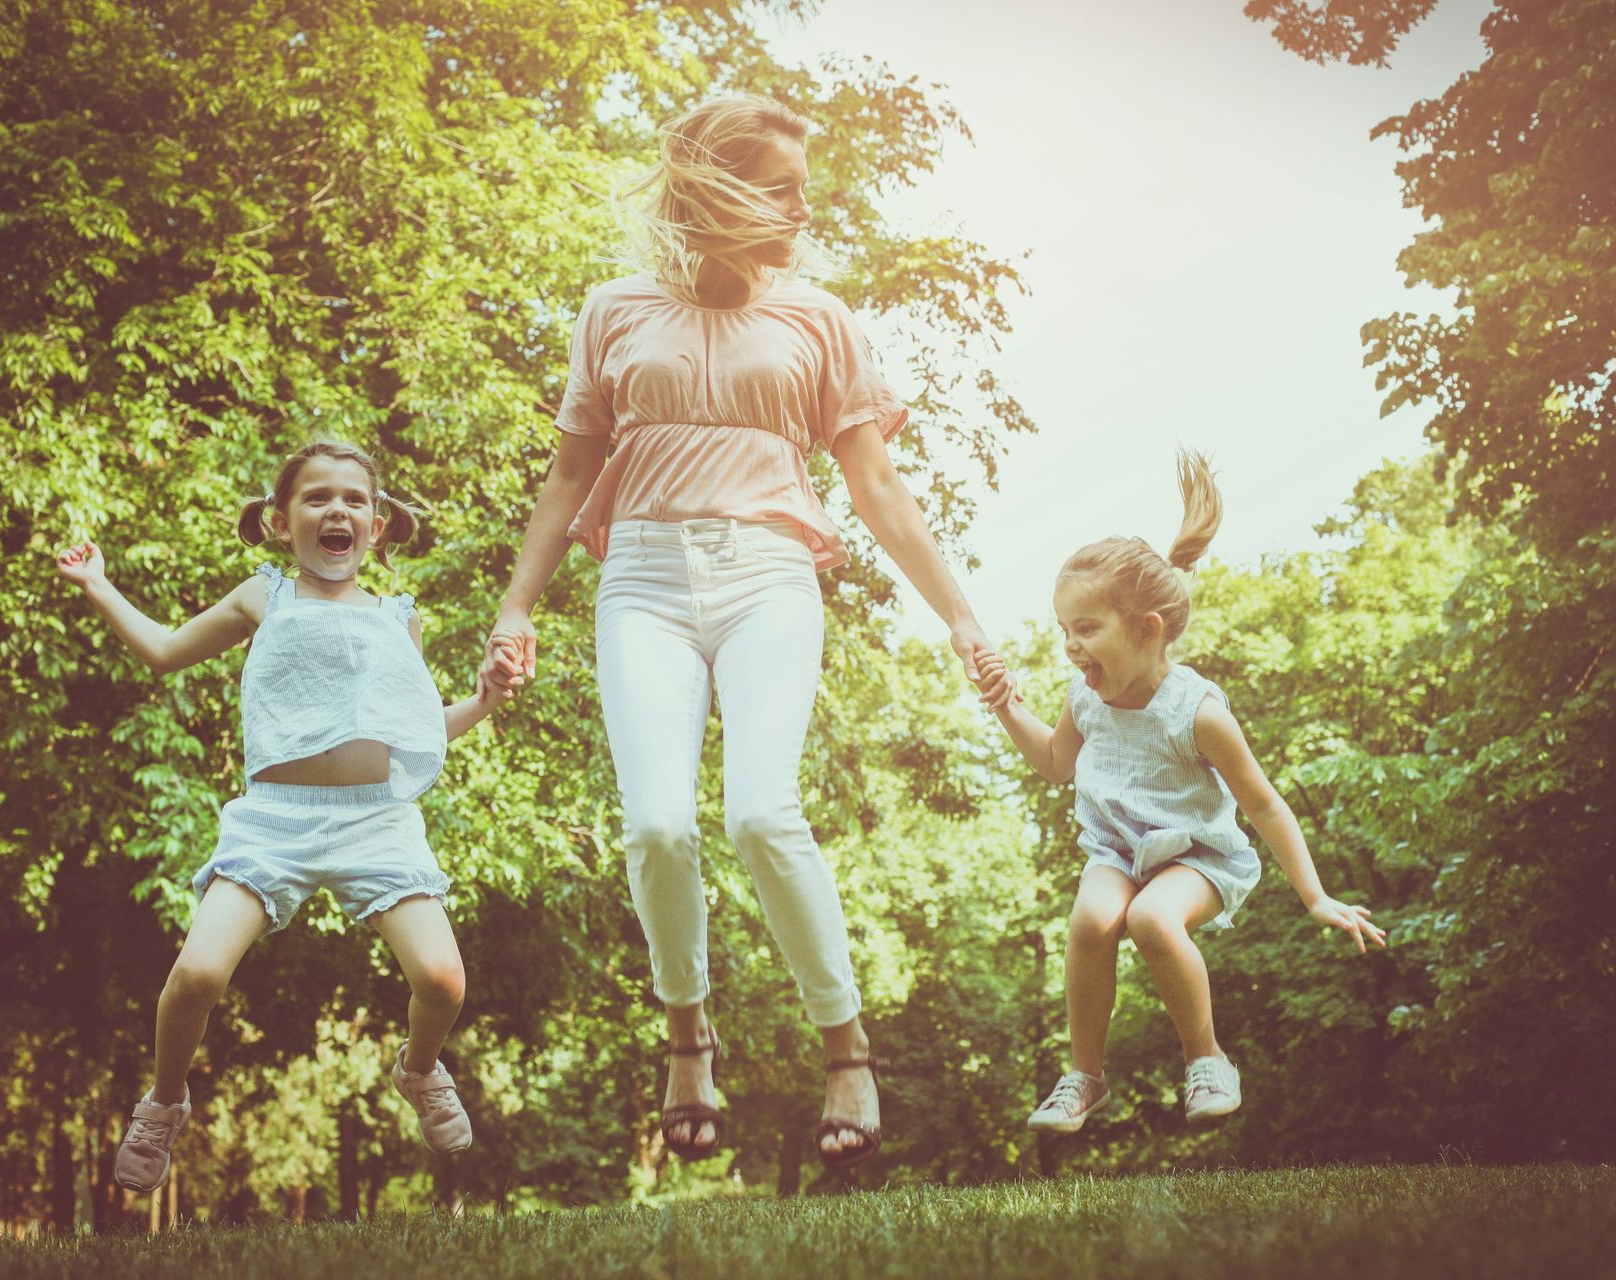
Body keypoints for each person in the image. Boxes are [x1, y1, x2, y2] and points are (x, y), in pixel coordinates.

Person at [478, 94, 1013, 1170]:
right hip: (642, 579)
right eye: (782, 188)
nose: (803, 209)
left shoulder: (819, 318)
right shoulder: (614, 309)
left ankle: (845, 1042)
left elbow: (877, 487)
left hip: (770, 574)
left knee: (763, 813)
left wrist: (960, 615)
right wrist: (515, 603)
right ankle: (688, 1031)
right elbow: (568, 477)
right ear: (715, 188)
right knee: (658, 827)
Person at [57, 438, 518, 1192]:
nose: (337, 509)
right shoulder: (260, 596)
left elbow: (420, 725)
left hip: (377, 818)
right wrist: (98, 585)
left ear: (378, 526)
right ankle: (163, 1104)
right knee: (198, 974)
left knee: (442, 981)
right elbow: (166, 651)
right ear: (279, 522)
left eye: (354, 500)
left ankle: (420, 1068)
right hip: (276, 818)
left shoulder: (399, 615)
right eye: (316, 498)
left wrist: (487, 699)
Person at [978, 450, 1385, 1135]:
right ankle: (1084, 1077)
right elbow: (1054, 764)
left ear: (1147, 630)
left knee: (1152, 921)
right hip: (1120, 850)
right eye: (1063, 631)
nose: (1070, 648)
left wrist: (1315, 896)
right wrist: (1005, 706)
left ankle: (1208, 1060)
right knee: (1090, 920)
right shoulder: (1086, 698)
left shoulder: (1197, 712)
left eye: (1086, 630)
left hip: (1199, 856)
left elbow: (1264, 805)